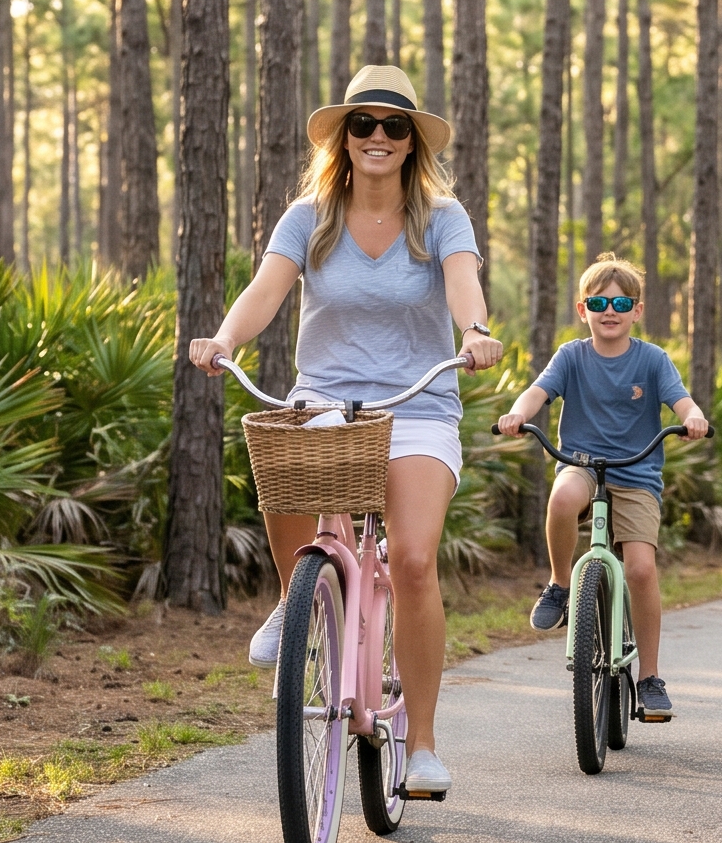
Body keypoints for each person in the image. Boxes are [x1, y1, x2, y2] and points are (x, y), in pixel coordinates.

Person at [187, 64, 505, 799]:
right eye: (363, 124)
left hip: (417, 406)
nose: (378, 137)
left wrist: (477, 330)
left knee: (417, 560)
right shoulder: (308, 216)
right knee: (283, 468)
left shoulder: (441, 216)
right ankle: (294, 601)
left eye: (395, 126)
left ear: (412, 142)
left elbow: (463, 283)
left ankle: (421, 745)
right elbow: (266, 289)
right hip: (326, 399)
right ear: (344, 136)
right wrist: (225, 339)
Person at [495, 255, 711, 721]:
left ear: (636, 310)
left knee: (640, 568)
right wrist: (518, 412)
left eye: (619, 302)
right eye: (598, 301)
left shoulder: (652, 359)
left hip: (636, 473)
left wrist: (691, 417)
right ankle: (558, 584)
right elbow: (537, 392)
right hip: (581, 463)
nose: (608, 310)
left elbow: (681, 400)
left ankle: (650, 676)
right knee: (563, 498)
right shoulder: (571, 356)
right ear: (582, 309)